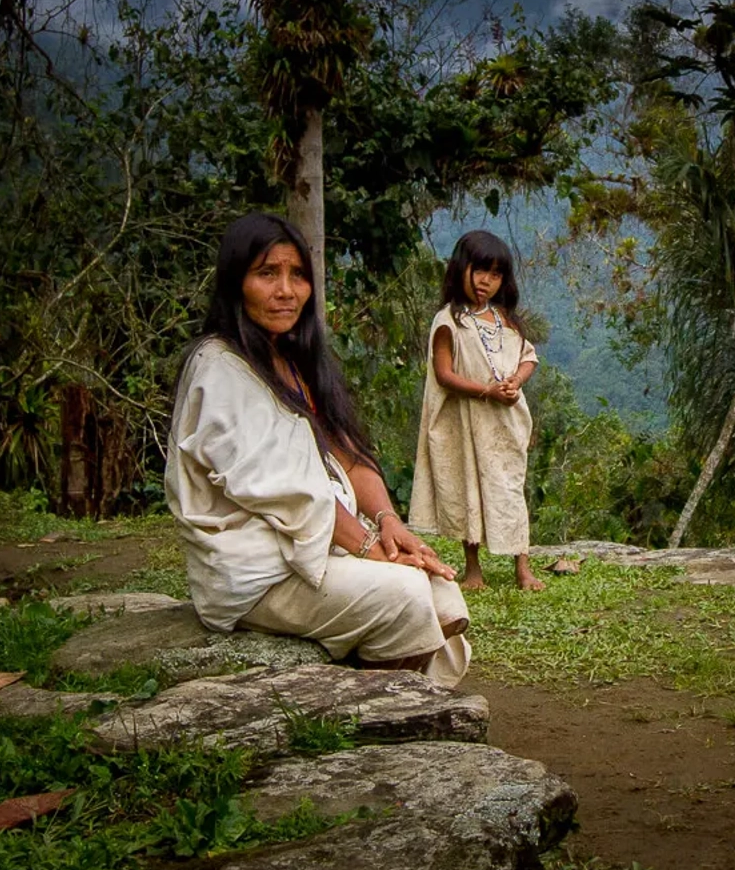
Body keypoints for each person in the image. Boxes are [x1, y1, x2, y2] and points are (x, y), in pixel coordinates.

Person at [165, 212, 469, 687]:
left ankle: (416, 701)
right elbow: (290, 493)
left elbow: (346, 454)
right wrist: (371, 549)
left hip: (312, 547)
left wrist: (390, 524)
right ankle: (381, 713)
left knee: (440, 585)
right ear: (235, 283)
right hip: (257, 571)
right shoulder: (220, 370)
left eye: (298, 275)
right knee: (406, 593)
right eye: (267, 273)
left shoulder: (289, 357)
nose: (286, 290)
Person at [410, 230, 545, 591]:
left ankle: (523, 567)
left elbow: (528, 356)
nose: (487, 281)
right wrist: (488, 391)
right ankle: (473, 568)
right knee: (469, 487)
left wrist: (515, 381)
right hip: (468, 423)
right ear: (461, 269)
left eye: (496, 274)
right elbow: (444, 374)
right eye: (480, 270)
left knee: (510, 488)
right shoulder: (448, 321)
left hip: (506, 422)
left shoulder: (505, 319)